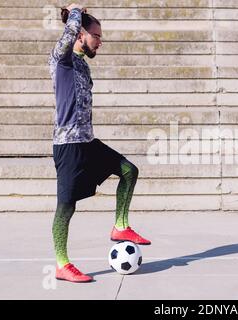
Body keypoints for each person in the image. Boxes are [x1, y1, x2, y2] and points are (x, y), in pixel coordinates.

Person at [48, 3, 151, 283]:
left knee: (129, 171)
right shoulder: (62, 58)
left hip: (88, 142)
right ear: (81, 34)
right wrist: (75, 12)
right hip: (68, 145)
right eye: (97, 36)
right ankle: (61, 264)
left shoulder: (81, 64)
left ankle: (120, 226)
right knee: (66, 207)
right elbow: (67, 38)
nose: (100, 42)